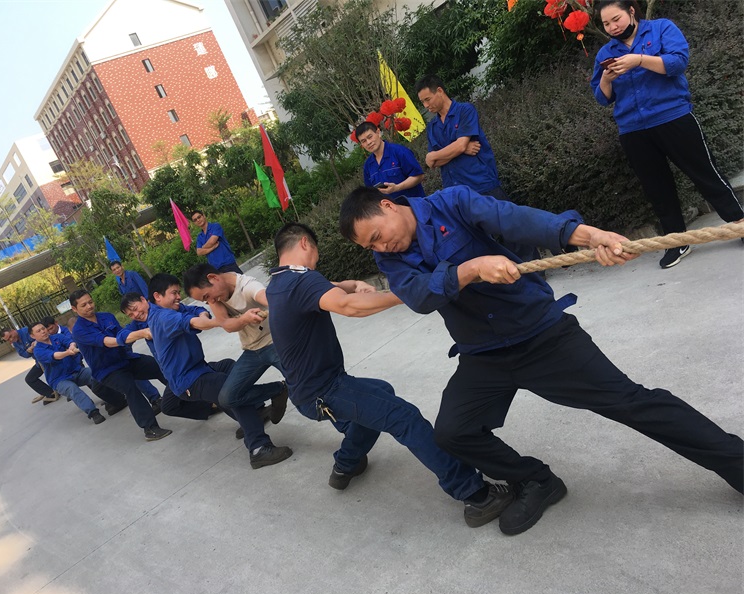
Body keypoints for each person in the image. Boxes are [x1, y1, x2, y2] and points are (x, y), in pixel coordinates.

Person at [339, 185, 744, 535]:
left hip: (541, 334)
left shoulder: (452, 203)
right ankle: (537, 480)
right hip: (483, 354)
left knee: (632, 402)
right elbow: (417, 295)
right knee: (453, 432)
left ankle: (737, 462)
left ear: (388, 205)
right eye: (371, 247)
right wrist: (471, 268)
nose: (381, 248)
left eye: (377, 236)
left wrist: (589, 236)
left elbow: (515, 219)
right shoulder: (390, 259)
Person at [265, 223, 511, 528]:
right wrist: (404, 294)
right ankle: (475, 495)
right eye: (316, 253)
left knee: (381, 392)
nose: (316, 261)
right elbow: (347, 306)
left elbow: (333, 287)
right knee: (404, 418)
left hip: (308, 391)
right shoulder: (302, 280)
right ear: (305, 243)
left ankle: (346, 465)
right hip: (325, 390)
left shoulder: (279, 282)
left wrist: (355, 283)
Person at [591, 0, 744, 269]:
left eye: (616, 19)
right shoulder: (606, 52)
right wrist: (606, 78)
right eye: (606, 23)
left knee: (705, 172)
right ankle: (676, 241)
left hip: (673, 116)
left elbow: (677, 63)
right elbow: (602, 98)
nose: (612, 27)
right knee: (657, 188)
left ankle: (739, 222)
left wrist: (639, 60)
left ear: (631, 11)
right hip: (633, 129)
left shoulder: (661, 29)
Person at [147, 273, 292, 469]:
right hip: (189, 380)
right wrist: (225, 320)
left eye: (178, 292)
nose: (178, 297)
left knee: (228, 374)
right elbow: (195, 322)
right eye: (174, 293)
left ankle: (255, 415)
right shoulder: (162, 317)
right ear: (157, 296)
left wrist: (203, 315)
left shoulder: (173, 308)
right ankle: (258, 447)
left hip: (199, 369)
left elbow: (197, 310)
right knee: (230, 391)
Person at [415, 74, 540, 263]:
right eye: (422, 102)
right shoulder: (433, 126)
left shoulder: (465, 110)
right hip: (455, 189)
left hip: (480, 180)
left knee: (507, 223)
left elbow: (450, 149)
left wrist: (447, 151)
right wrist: (457, 149)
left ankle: (533, 267)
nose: (426, 105)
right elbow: (433, 162)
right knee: (477, 235)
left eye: (428, 99)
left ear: (439, 91)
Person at [182, 264, 289, 427]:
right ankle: (278, 389)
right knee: (227, 398)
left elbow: (266, 297)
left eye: (207, 296)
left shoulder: (247, 285)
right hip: (252, 351)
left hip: (275, 343)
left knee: (302, 388)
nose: (210, 301)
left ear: (213, 278)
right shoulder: (215, 297)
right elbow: (227, 325)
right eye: (205, 301)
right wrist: (245, 319)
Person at [70, 289, 172, 441]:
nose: (89, 306)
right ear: (74, 308)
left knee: (157, 366)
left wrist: (136, 332)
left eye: (90, 302)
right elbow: (107, 342)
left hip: (125, 359)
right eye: (83, 305)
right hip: (108, 370)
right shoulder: (79, 330)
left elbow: (123, 334)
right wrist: (140, 333)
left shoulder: (107, 317)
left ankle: (182, 395)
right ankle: (150, 428)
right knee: (130, 388)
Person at [30, 322, 119, 424]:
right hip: (59, 380)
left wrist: (72, 346)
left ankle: (114, 399)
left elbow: (70, 341)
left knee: (96, 373)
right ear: (33, 336)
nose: (43, 331)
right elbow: (55, 356)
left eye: (43, 328)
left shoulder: (57, 337)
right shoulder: (38, 351)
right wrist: (67, 352)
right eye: (38, 331)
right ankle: (93, 413)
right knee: (72, 389)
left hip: (76, 371)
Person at [355, 122, 425, 200]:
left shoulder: (399, 152)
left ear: (378, 132)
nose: (368, 142)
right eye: (363, 141)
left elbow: (419, 176)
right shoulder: (368, 165)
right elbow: (371, 193)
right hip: (389, 207)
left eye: (370, 137)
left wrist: (397, 188)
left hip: (414, 204)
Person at [1, 326, 59, 404]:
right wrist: (29, 351)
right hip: (39, 362)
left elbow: (41, 340)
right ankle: (50, 393)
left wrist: (34, 347)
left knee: (53, 374)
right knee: (30, 379)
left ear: (13, 330)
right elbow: (23, 354)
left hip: (48, 357)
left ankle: (60, 388)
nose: (11, 339)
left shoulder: (27, 332)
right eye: (8, 340)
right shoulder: (15, 342)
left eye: (10, 336)